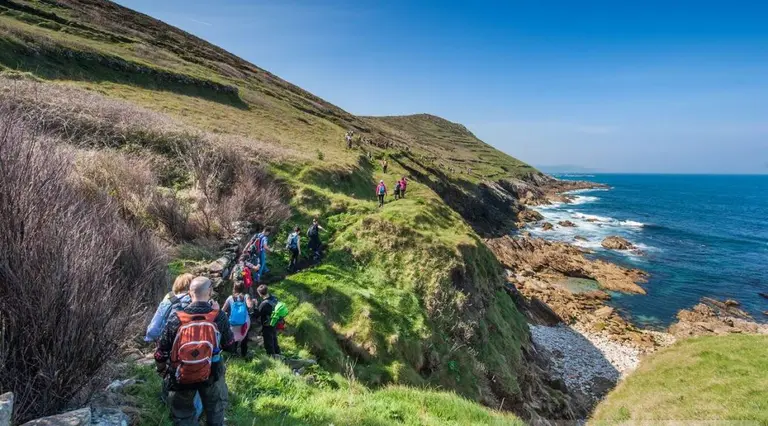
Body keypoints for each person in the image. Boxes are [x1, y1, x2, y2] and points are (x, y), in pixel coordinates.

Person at [155, 277, 235, 426]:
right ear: (210, 291)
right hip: (211, 373)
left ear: (190, 293)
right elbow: (230, 345)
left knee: (183, 412)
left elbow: (161, 351)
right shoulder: (218, 316)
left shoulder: (177, 318)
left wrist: (162, 369)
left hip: (181, 374)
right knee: (215, 408)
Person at [145, 273, 194, 342]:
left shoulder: (169, 298)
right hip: (189, 340)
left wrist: (151, 338)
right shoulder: (195, 300)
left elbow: (155, 324)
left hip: (168, 339)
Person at [221, 281, 254, 358]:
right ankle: (244, 354)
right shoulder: (246, 296)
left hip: (233, 321)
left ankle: (234, 354)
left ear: (234, 288)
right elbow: (250, 306)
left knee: (233, 337)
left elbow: (222, 310)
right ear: (243, 288)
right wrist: (252, 301)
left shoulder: (230, 298)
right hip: (245, 322)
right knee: (244, 338)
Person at [256, 285, 281, 357]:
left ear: (260, 294)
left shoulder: (264, 304)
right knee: (274, 337)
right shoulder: (274, 298)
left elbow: (257, 314)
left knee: (268, 340)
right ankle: (278, 353)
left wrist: (255, 305)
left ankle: (272, 356)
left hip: (267, 324)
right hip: (275, 321)